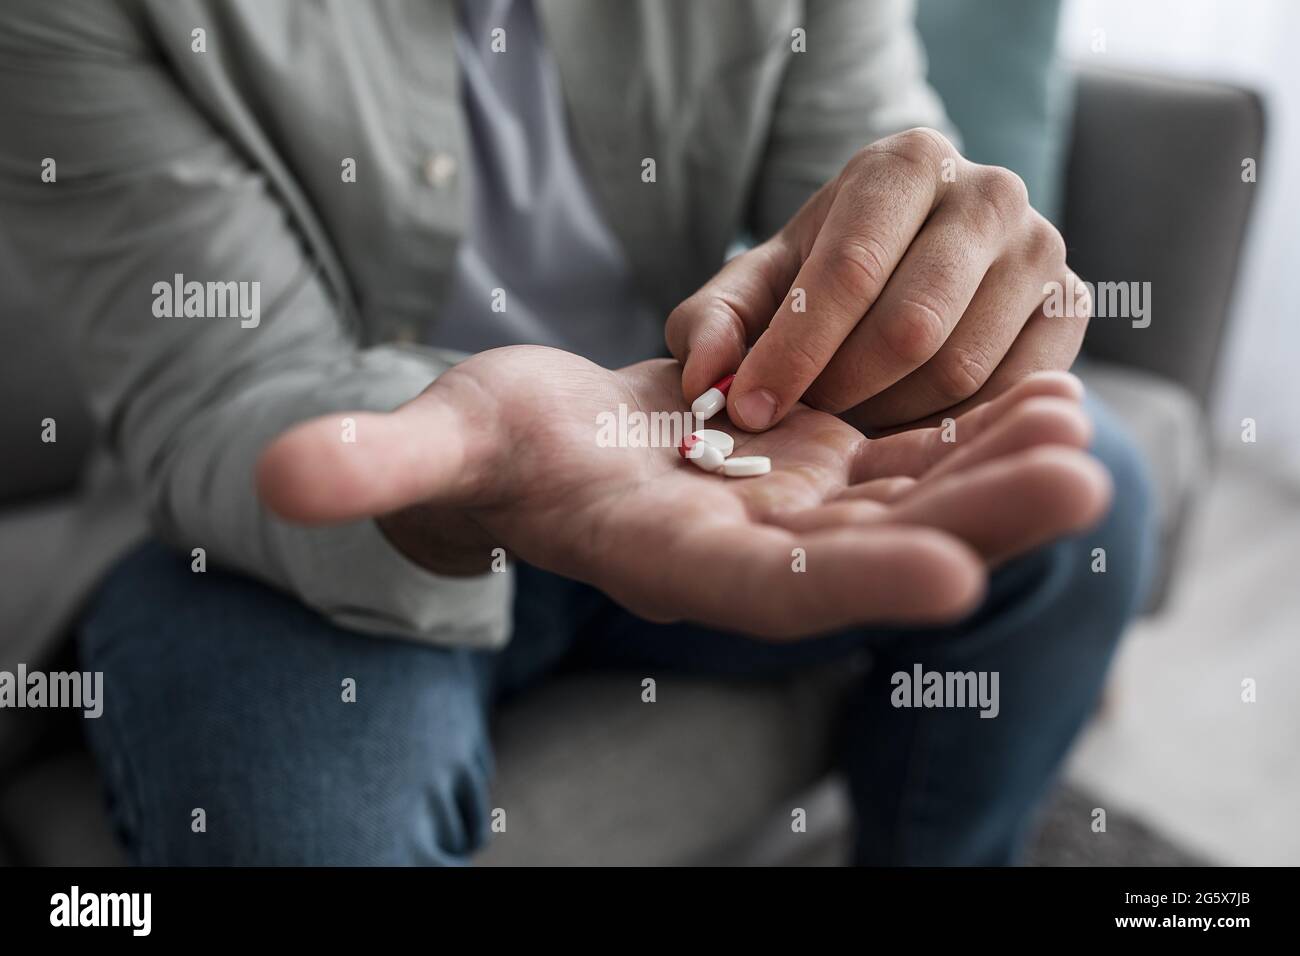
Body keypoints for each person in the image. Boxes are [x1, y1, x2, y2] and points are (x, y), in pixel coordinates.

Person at [0, 0, 1154, 864]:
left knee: (1086, 477)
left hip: (704, 471)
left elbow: (870, 179)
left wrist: (927, 272)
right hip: (297, 530)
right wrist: (476, 467)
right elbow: (222, 382)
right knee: (293, 820)